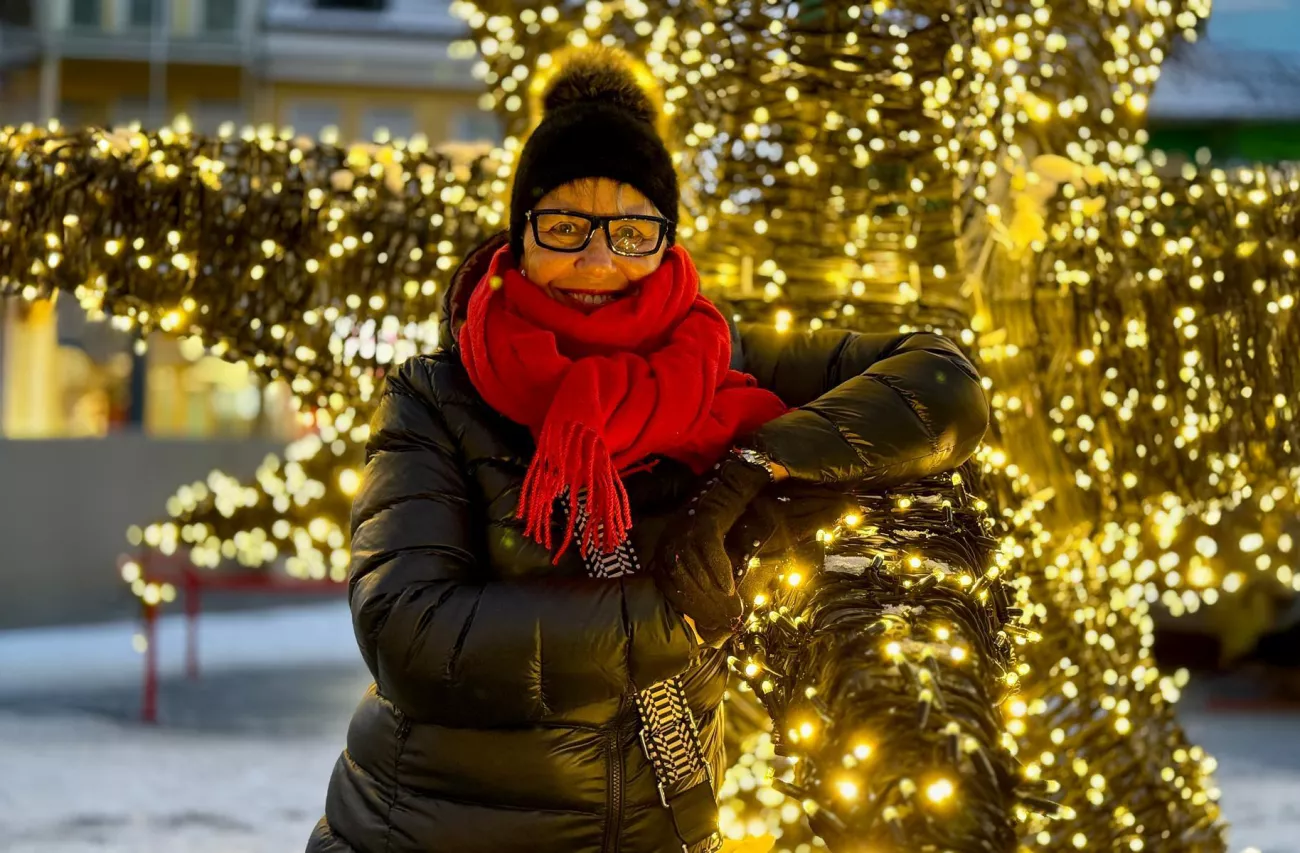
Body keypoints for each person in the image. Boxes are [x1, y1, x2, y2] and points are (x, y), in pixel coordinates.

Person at [307, 46, 988, 853]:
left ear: (666, 242)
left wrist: (754, 466)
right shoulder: (436, 395)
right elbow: (412, 635)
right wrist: (674, 614)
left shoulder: (715, 360)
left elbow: (941, 383)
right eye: (565, 226)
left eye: (632, 231)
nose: (599, 261)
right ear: (520, 235)